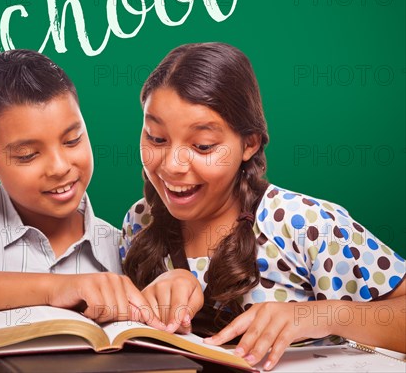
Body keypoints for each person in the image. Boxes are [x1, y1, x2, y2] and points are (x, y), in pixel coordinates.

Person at [120, 42, 406, 371]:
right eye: (156, 138)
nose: (172, 165)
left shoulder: (304, 224)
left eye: (202, 146)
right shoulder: (139, 221)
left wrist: (319, 316)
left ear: (249, 143)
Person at [0, 49, 162, 339]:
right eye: (27, 155)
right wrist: (53, 288)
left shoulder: (119, 245)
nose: (59, 167)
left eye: (72, 140)